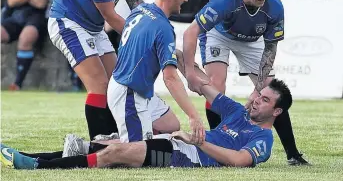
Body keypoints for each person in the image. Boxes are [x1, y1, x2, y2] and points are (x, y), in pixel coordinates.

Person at [47, 0, 175, 141]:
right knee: (99, 84)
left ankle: (115, 140)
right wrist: (145, 40)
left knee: (119, 81)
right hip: (67, 23)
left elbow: (137, 7)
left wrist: (156, 25)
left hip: (92, 27)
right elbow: (111, 17)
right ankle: (100, 144)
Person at [0, 69, 293, 169]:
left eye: (264, 100)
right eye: (258, 95)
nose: (255, 101)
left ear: (277, 112)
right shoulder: (238, 111)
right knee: (101, 145)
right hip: (181, 144)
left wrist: (199, 142)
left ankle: (37, 167)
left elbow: (239, 161)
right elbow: (202, 85)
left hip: (190, 157)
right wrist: (182, 60)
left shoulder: (263, 139)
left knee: (116, 151)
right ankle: (27, 157)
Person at [182, 0, 309, 165]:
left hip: (251, 41)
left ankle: (293, 155)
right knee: (215, 84)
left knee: (271, 89)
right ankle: (220, 142)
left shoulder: (274, 6)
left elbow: (270, 48)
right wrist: (189, 71)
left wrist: (258, 89)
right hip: (220, 35)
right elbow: (191, 32)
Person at [107, 0, 204, 143]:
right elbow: (170, 79)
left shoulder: (141, 10)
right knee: (138, 155)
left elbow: (143, 44)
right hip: (129, 93)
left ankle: (124, 136)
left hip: (130, 86)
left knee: (170, 125)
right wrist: (193, 115)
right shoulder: (163, 28)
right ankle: (89, 147)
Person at [0, 0, 54, 90]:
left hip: (37, 17)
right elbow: (11, 0)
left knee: (25, 38)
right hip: (17, 15)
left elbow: (41, 2)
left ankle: (17, 84)